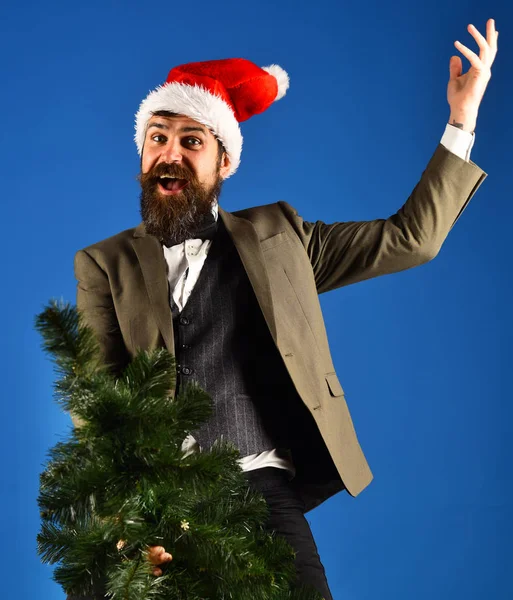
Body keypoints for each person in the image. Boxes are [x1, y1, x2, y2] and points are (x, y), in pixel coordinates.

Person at [70, 20, 498, 600]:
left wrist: (461, 120)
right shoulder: (104, 263)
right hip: (160, 495)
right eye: (158, 137)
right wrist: (121, 523)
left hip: (260, 487)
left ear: (225, 163)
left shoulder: (281, 238)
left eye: (191, 140)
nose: (169, 154)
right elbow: (97, 401)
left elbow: (409, 238)